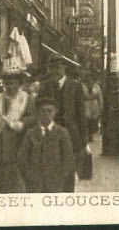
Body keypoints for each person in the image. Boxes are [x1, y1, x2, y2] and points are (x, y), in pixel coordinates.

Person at [0, 69, 35, 193]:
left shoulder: (27, 99)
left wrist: (22, 123)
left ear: (19, 83)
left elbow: (33, 118)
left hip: (20, 144)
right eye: (7, 83)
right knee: (2, 183)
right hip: (2, 148)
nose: (9, 86)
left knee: (19, 182)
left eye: (13, 83)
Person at [39, 56, 89, 189]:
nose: (55, 71)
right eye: (52, 68)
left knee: (68, 171)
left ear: (64, 68)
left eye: (58, 67)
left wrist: (84, 141)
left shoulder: (75, 86)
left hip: (71, 135)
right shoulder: (44, 86)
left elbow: (81, 115)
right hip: (50, 135)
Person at [16, 96, 76, 193]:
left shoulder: (62, 133)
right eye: (43, 111)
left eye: (49, 111)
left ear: (55, 112)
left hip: (56, 185)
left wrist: (61, 179)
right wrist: (29, 176)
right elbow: (22, 158)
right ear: (38, 113)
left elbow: (68, 160)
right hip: (34, 185)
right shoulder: (30, 134)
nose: (46, 114)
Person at [83, 73, 102, 142]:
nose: (89, 80)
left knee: (94, 120)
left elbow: (99, 97)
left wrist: (101, 106)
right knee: (86, 120)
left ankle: (92, 134)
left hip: (94, 104)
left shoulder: (96, 86)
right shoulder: (83, 86)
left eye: (91, 79)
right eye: (88, 79)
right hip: (86, 104)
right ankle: (87, 135)